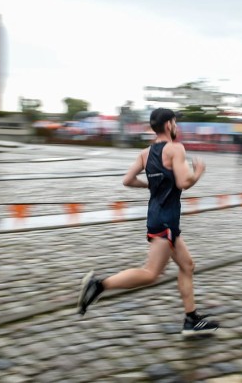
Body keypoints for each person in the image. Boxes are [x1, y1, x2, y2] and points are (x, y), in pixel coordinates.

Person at [77, 108, 220, 336]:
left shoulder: (145, 153)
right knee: (151, 273)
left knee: (187, 265)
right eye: (175, 123)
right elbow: (184, 182)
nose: (177, 127)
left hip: (161, 218)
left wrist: (149, 185)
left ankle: (191, 319)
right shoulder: (176, 149)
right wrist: (199, 171)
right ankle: (99, 285)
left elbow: (127, 180)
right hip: (165, 221)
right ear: (168, 125)